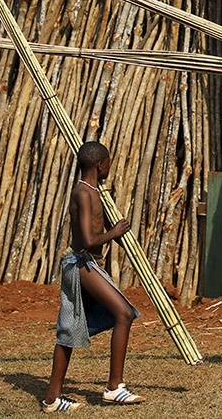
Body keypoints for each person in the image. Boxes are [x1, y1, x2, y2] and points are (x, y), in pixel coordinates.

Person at [42, 141, 144, 412]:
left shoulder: (91, 191)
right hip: (80, 263)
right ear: (100, 165)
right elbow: (87, 239)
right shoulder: (83, 193)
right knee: (123, 313)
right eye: (108, 162)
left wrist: (113, 231)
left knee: (70, 330)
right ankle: (114, 388)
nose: (109, 167)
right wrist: (115, 233)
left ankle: (52, 399)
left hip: (88, 263)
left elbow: (96, 226)